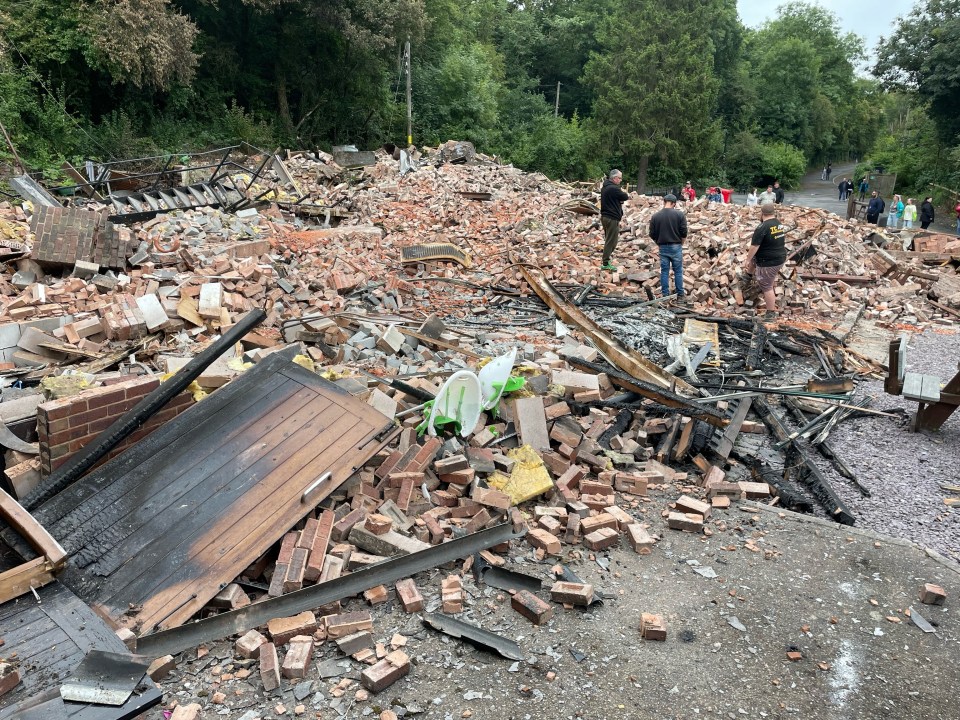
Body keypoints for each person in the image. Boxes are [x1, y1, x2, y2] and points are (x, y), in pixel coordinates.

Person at [744, 202, 787, 321]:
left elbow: (754, 246)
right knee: (755, 260)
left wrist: (747, 259)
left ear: (762, 213)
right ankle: (747, 277)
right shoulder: (778, 224)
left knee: (767, 286)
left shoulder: (762, 227)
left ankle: (770, 314)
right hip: (779, 257)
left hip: (769, 261)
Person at [649, 193, 688, 302]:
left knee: (665, 271)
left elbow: (652, 233)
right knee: (678, 271)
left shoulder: (656, 216)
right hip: (676, 246)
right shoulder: (679, 215)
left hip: (663, 246)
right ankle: (680, 294)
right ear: (674, 204)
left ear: (664, 202)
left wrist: (658, 242)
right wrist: (681, 243)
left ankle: (665, 294)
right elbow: (684, 232)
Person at [599, 169, 629, 271]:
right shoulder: (613, 188)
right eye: (620, 178)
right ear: (615, 178)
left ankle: (606, 260)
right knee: (611, 241)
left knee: (611, 239)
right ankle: (606, 262)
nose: (620, 180)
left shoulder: (605, 187)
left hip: (605, 217)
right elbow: (625, 196)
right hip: (611, 217)